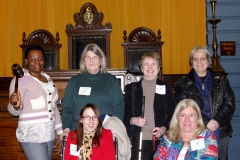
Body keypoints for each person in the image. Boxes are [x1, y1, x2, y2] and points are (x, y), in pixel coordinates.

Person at [174, 46, 235, 160]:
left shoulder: (221, 80)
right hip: (195, 132)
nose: (199, 62)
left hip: (220, 131)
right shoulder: (183, 83)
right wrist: (207, 122)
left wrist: (216, 121)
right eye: (195, 59)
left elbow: (229, 103)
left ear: (209, 61)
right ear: (191, 62)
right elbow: (184, 107)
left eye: (202, 58)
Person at [8, 45, 63, 160]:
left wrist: (60, 131)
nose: (37, 62)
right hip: (32, 133)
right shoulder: (19, 79)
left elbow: (54, 107)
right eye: (32, 59)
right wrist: (16, 106)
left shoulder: (48, 78)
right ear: (26, 61)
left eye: (40, 58)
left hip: (49, 132)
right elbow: (13, 109)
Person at [61, 43, 124, 137]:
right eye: (88, 57)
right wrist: (66, 129)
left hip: (105, 132)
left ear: (101, 60)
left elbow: (118, 109)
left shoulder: (111, 80)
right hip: (78, 132)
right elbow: (67, 109)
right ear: (83, 61)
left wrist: (113, 131)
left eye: (95, 57)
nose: (91, 60)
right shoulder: (74, 81)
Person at [124, 52, 176, 160]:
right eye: (146, 64)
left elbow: (174, 114)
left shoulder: (166, 88)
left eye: (154, 64)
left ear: (159, 68)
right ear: (141, 68)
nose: (150, 67)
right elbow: (123, 114)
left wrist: (163, 129)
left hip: (160, 141)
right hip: (137, 141)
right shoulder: (131, 89)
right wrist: (133, 120)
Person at [153, 99, 218, 160]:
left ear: (198, 118)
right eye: (183, 115)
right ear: (177, 119)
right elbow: (158, 157)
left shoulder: (207, 136)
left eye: (191, 115)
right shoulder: (168, 137)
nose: (187, 119)